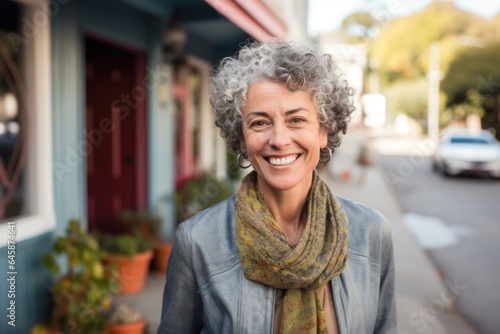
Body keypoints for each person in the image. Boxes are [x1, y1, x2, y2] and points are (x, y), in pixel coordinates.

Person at [158, 40, 396, 334]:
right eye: (259, 123)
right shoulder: (197, 242)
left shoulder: (371, 232)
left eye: (297, 120)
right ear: (242, 140)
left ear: (323, 131)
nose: (279, 139)